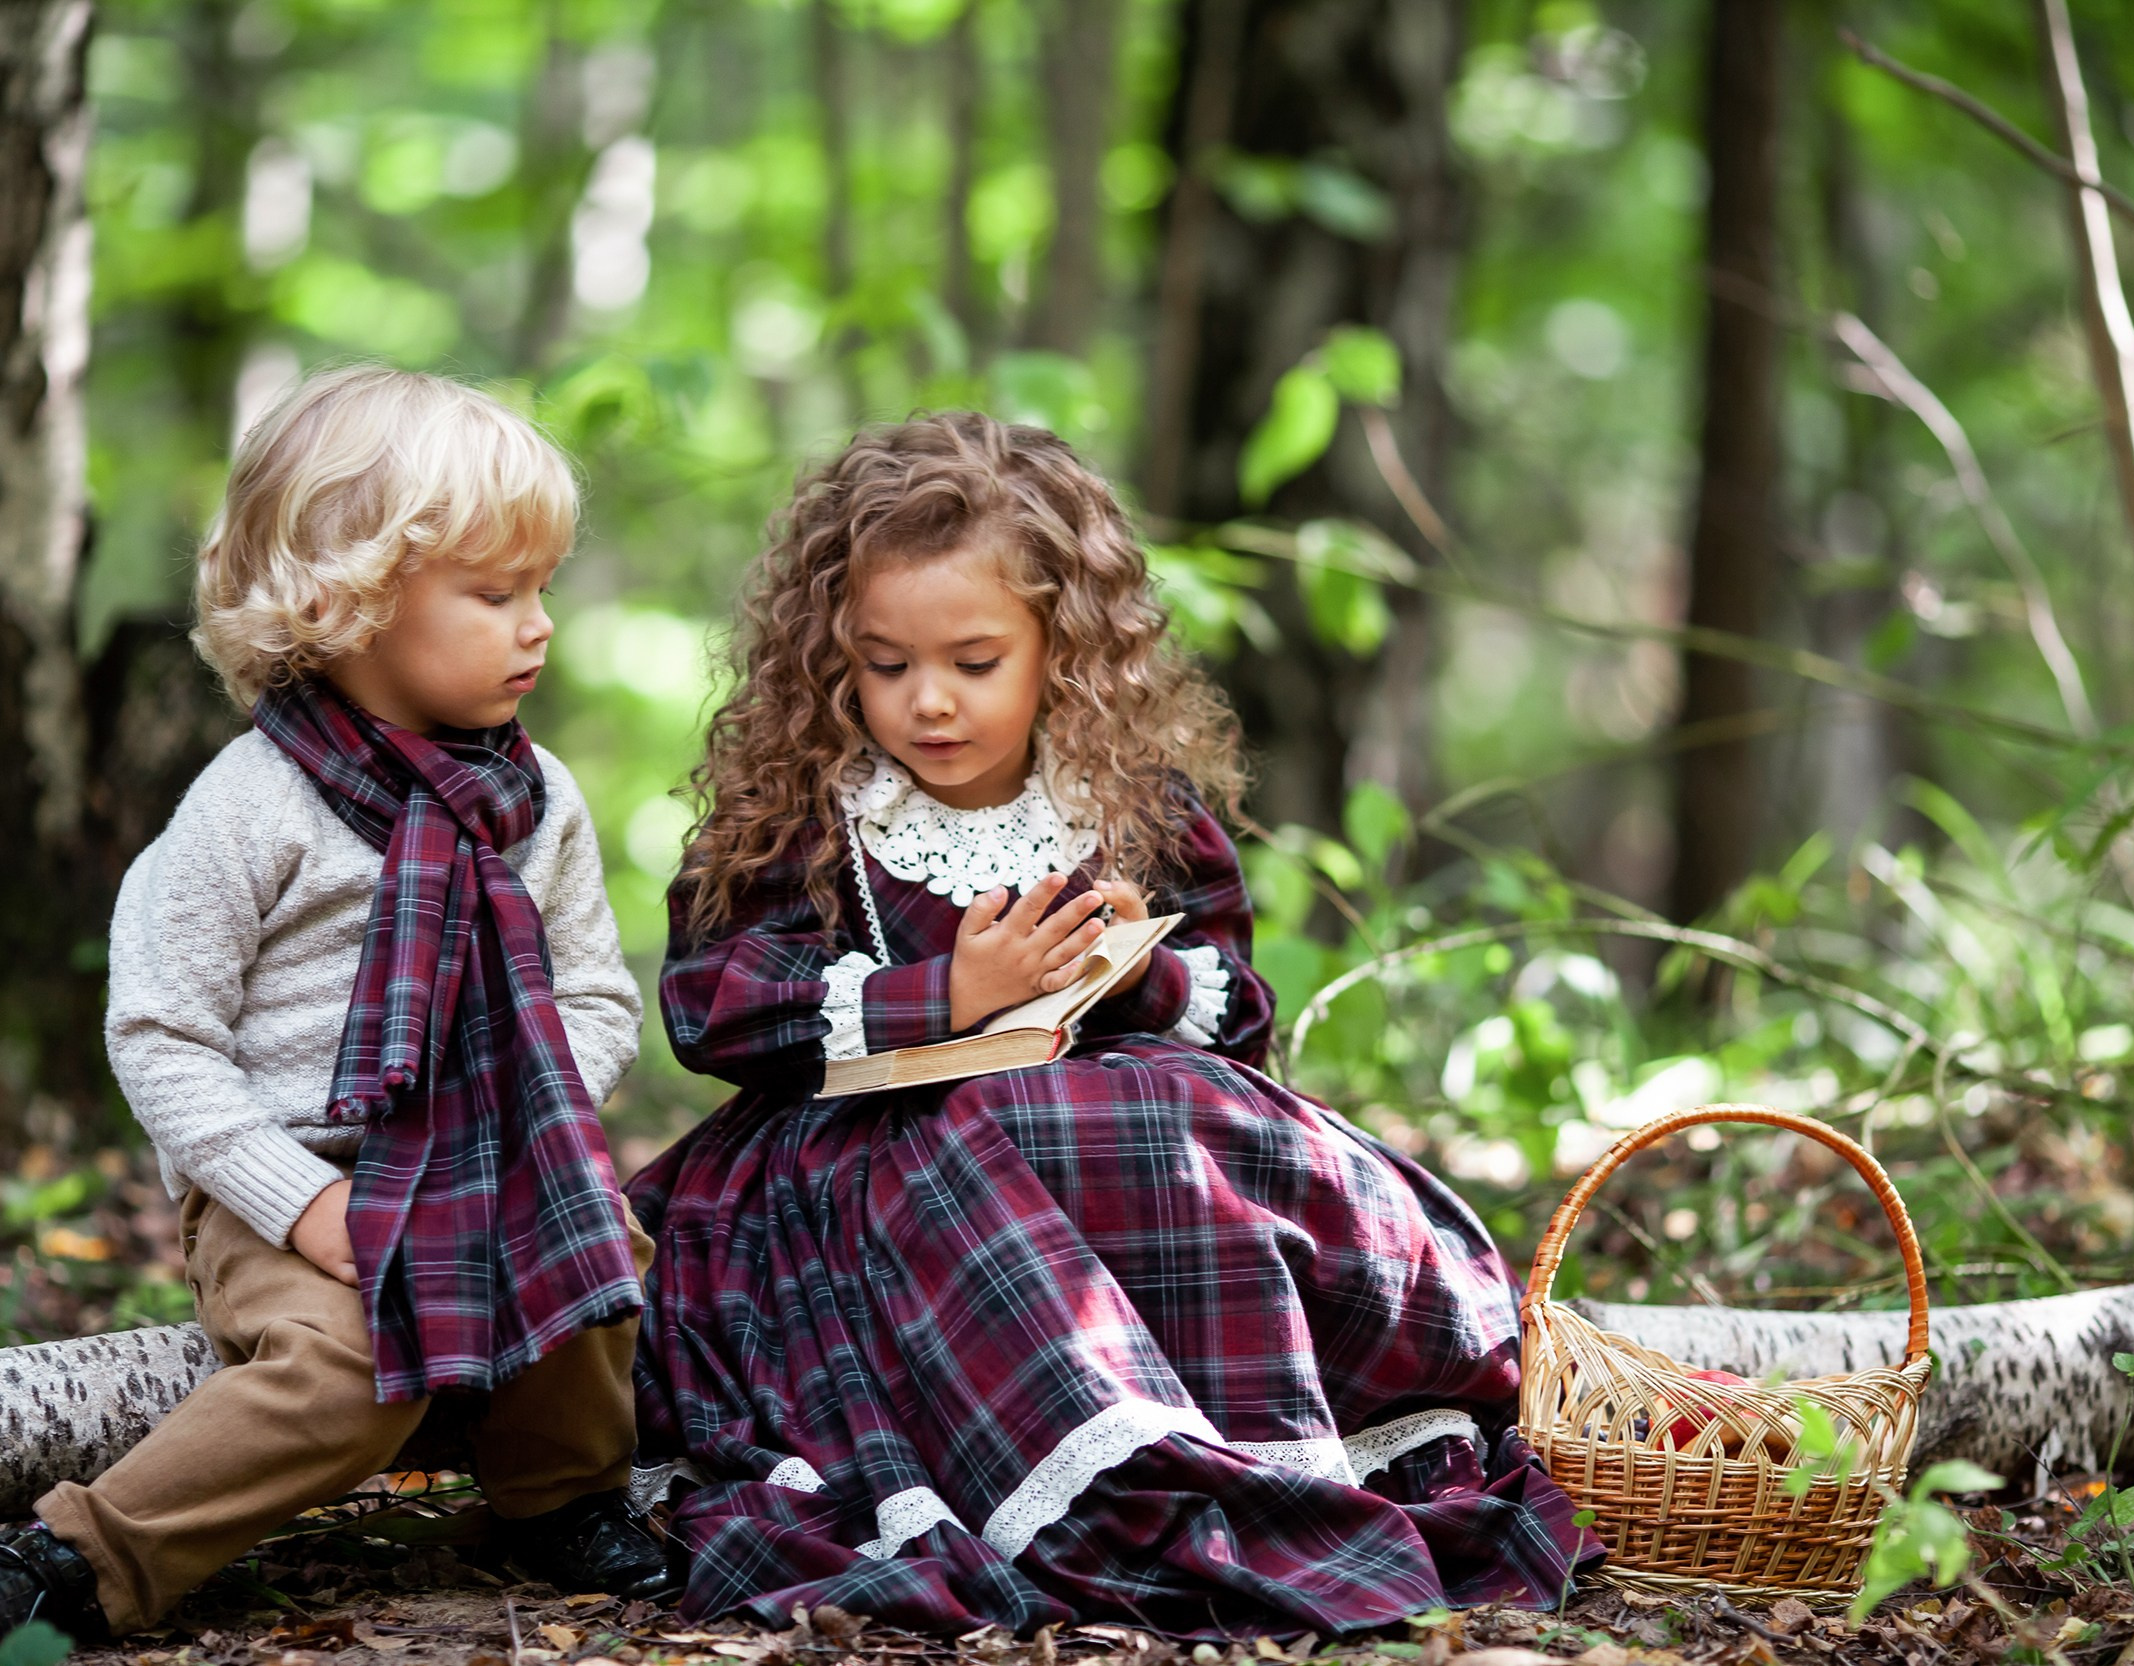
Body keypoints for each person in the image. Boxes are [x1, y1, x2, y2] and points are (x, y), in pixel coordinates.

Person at [630, 412, 1601, 1638]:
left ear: (1062, 648)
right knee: (975, 1132)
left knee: (1176, 1112)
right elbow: (713, 1003)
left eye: (973, 661)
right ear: (834, 658)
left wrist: (1138, 977)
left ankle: (1228, 1439)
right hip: (872, 1163)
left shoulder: (1131, 806)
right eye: (885, 664)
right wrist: (941, 996)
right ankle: (1079, 1474)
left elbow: (1236, 1017)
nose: (928, 700)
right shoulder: (811, 818)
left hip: (1105, 1152)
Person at [0, 368, 673, 1663]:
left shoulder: (537, 798)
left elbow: (593, 991)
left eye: (541, 587)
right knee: (353, 1361)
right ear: (352, 600)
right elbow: (161, 1033)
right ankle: (76, 1556)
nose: (538, 626)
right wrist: (308, 1204)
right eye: (495, 594)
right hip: (289, 1179)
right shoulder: (252, 804)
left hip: (487, 1148)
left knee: (594, 1262)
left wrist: (523, 1112)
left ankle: (562, 1495)